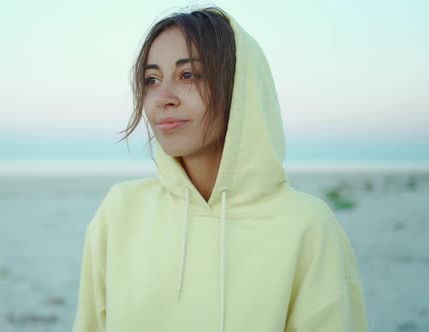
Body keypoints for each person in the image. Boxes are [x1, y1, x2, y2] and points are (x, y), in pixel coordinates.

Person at [71, 6, 368, 332]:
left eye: (188, 75)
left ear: (239, 86)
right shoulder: (120, 211)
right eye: (151, 80)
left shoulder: (307, 226)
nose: (162, 98)